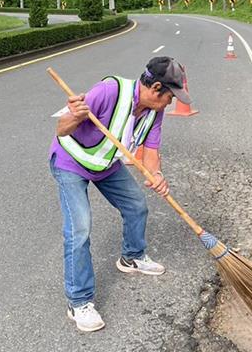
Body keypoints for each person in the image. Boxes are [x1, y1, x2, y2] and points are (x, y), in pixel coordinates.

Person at [48, 56, 192, 332]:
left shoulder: (154, 110)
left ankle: (132, 256)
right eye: (171, 95)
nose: (172, 102)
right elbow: (61, 130)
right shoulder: (109, 91)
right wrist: (74, 116)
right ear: (156, 88)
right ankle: (79, 302)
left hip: (105, 164)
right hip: (71, 163)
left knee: (137, 205)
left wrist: (156, 176)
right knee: (79, 229)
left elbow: (150, 151)